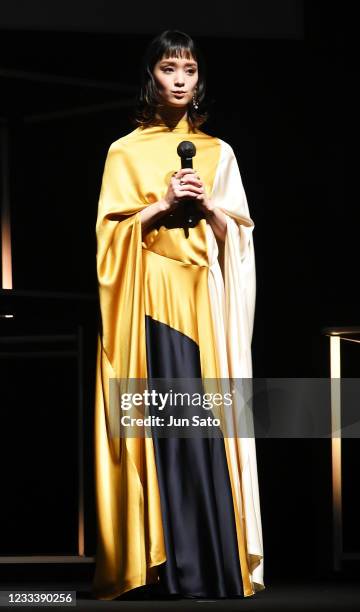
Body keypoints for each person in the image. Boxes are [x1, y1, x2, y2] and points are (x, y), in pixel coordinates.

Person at [92, 29, 264, 601]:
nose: (181, 79)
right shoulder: (125, 151)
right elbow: (110, 238)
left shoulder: (219, 152)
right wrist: (162, 204)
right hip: (151, 299)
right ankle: (163, 562)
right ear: (153, 77)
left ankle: (211, 563)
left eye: (189, 69)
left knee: (204, 427)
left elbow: (238, 237)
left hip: (203, 300)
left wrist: (210, 206)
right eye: (170, 69)